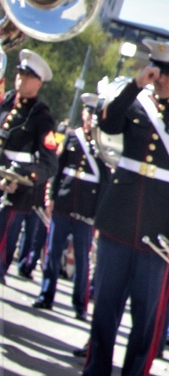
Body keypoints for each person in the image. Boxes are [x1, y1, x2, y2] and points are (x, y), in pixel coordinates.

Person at [62, 40, 169, 376]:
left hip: (157, 231)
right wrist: (135, 84)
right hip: (119, 217)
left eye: (167, 73)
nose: (161, 78)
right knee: (105, 306)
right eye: (156, 70)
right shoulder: (136, 100)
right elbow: (107, 122)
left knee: (146, 316)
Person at [33, 94, 107, 317]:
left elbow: (104, 182)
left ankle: (80, 305)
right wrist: (51, 197)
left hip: (86, 209)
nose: (90, 117)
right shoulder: (73, 138)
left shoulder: (102, 144)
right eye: (88, 112)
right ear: (83, 113)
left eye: (94, 113)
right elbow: (58, 169)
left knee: (83, 261)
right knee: (53, 252)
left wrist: (98, 213)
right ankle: (46, 295)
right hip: (65, 202)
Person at [0, 49, 59, 283]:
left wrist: (20, 176)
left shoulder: (41, 116)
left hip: (15, 192)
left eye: (28, 76)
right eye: (20, 73)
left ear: (39, 83)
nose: (21, 79)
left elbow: (49, 164)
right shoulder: (5, 101)